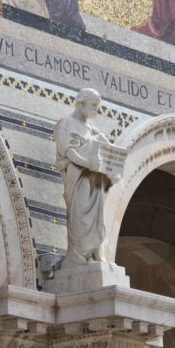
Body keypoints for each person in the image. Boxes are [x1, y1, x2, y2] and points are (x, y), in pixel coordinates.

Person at [54, 89, 119, 266]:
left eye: (97, 106)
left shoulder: (93, 130)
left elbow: (107, 151)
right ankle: (79, 257)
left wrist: (112, 171)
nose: (96, 110)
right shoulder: (66, 122)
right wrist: (87, 163)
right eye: (93, 105)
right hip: (78, 179)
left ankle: (96, 254)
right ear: (81, 103)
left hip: (95, 180)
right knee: (81, 217)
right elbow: (68, 151)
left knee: (98, 218)